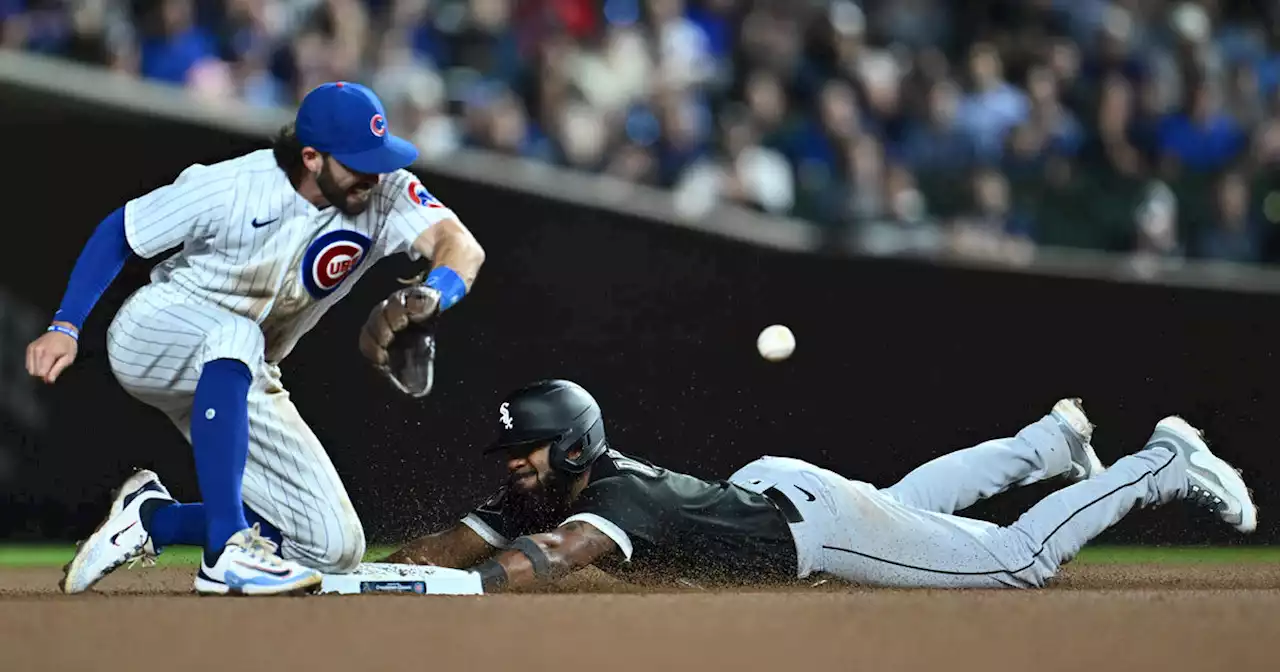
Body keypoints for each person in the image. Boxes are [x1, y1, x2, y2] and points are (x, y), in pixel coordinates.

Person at [26, 81, 486, 596]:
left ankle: (154, 519)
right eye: (358, 160)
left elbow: (461, 246)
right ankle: (224, 551)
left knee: (333, 547)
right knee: (235, 331)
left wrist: (432, 294)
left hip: (240, 370)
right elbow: (121, 229)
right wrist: (66, 325)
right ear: (312, 157)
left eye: (379, 157)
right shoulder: (235, 184)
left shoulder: (385, 192)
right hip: (156, 332)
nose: (373, 173)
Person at [385, 379, 1257, 591]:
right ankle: (1051, 441)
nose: (515, 464)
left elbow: (560, 554)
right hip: (780, 496)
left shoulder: (610, 500)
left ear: (575, 448)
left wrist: (463, 589)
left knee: (1017, 561)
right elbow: (451, 544)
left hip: (809, 531)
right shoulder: (547, 490)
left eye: (530, 450)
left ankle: (1162, 462)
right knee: (906, 508)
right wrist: (386, 575)